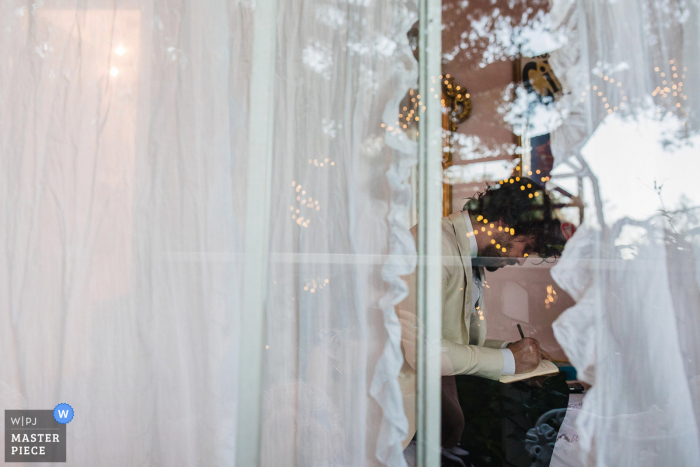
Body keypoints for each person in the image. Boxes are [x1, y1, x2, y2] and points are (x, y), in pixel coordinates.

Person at [397, 177, 566, 454]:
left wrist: (512, 352)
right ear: (502, 222)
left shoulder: (467, 254)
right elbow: (423, 351)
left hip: (426, 418)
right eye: (524, 247)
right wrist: (508, 360)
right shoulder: (433, 247)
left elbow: (449, 340)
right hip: (400, 421)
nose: (520, 260)